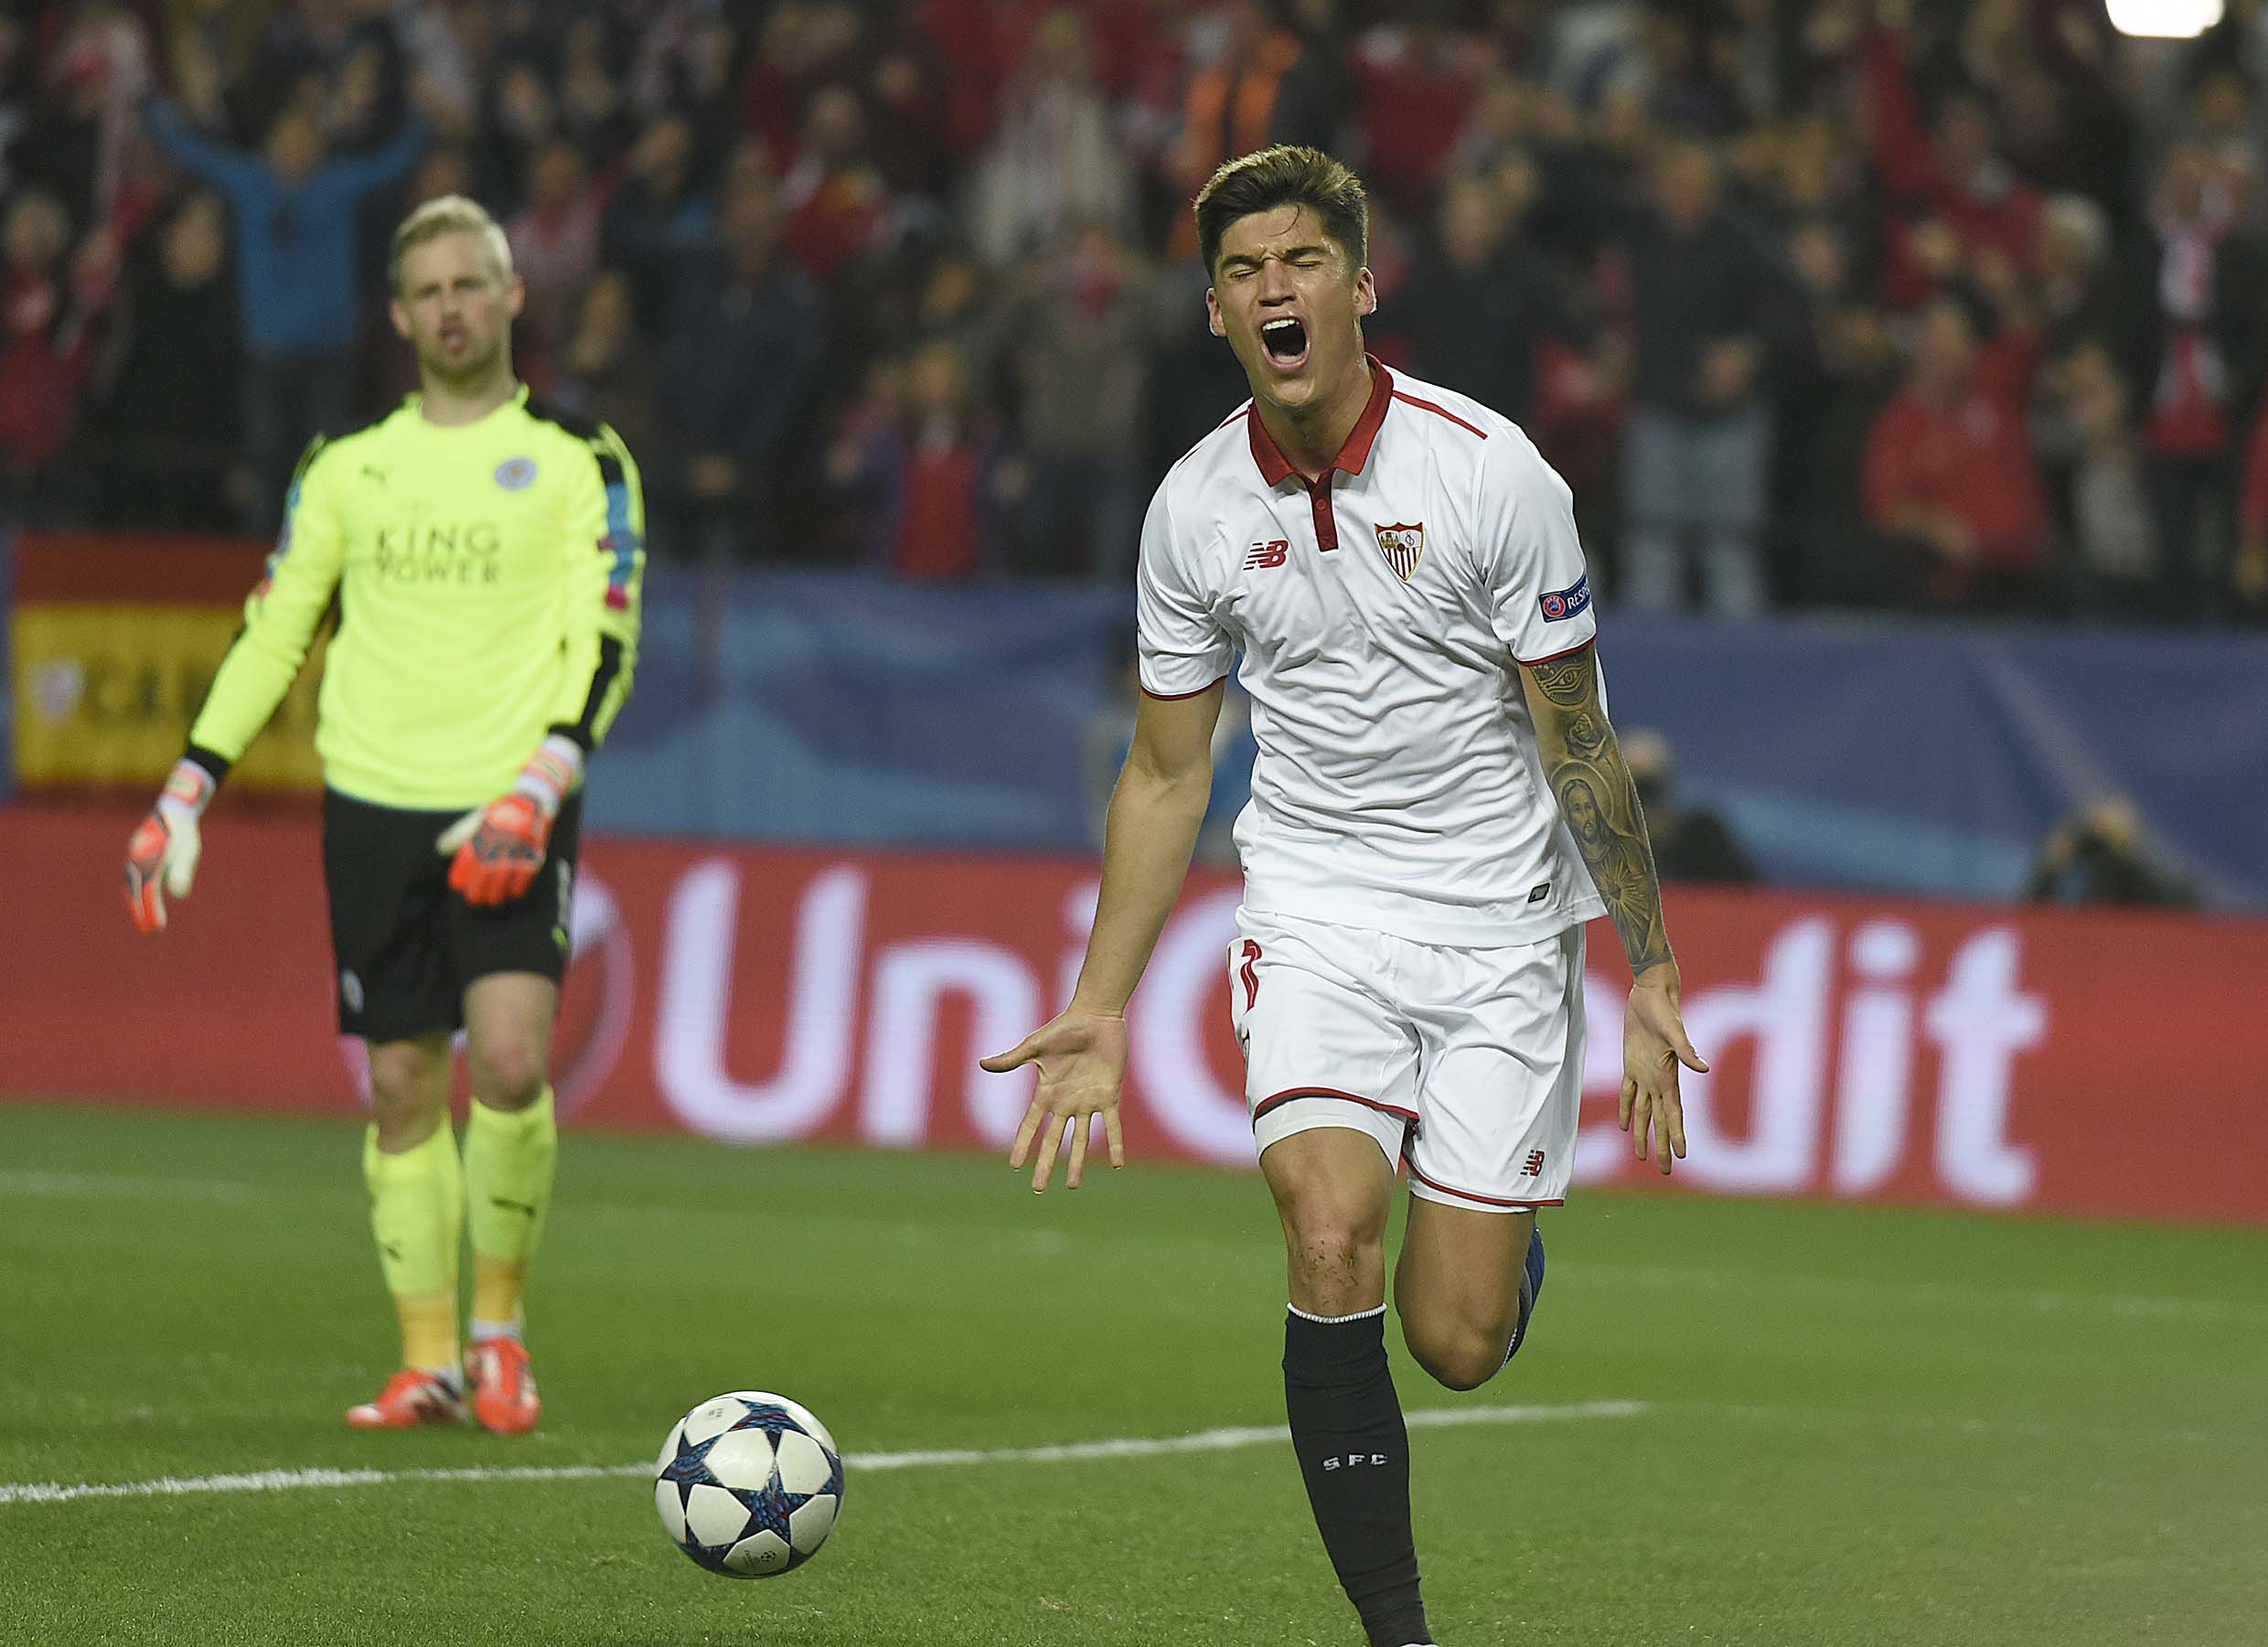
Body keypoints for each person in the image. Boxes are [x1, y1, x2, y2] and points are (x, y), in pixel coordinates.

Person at [980, 145, 1705, 1647]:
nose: (1275, 290)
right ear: (1216, 315)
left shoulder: (1492, 475)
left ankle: (1499, 1258)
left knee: (1452, 1339)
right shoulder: (1191, 512)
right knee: (1324, 1236)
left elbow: (1578, 737)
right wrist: (1100, 1004)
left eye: (1302, 261)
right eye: (1245, 273)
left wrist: (1648, 965)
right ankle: (1401, 1633)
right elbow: (1172, 772)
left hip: (1504, 924)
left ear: (1361, 286)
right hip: (1313, 904)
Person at [118, 196, 646, 1437]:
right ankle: (427, 1362)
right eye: (430, 292)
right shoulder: (347, 466)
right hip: (371, 801)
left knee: (512, 1059)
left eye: (474, 283)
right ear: (401, 317)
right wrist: (188, 784)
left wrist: (546, 776)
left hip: (511, 799)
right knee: (402, 1082)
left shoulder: (581, 457)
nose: (454, 307)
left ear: (514, 295)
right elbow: (275, 628)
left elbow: (606, 631)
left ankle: (501, 1336)